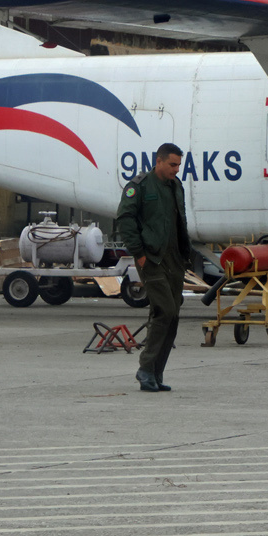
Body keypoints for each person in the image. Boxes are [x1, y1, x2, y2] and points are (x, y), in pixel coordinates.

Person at [114, 143, 192, 393]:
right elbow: (125, 220)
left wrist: (185, 254)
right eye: (172, 165)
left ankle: (156, 373)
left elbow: (181, 220)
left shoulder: (176, 186)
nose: (176, 170)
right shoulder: (139, 186)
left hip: (174, 260)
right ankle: (145, 368)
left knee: (173, 315)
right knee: (165, 310)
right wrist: (139, 254)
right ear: (158, 161)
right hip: (152, 259)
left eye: (179, 165)